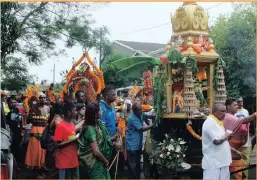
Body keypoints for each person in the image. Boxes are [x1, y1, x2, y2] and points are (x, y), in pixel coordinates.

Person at [78, 102, 114, 179]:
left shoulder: (98, 124)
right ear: (95, 114)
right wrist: (105, 161)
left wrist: (115, 137)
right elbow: (96, 152)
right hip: (95, 163)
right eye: (100, 110)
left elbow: (103, 140)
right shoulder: (90, 129)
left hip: (101, 161)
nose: (102, 111)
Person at [223, 98, 257, 180]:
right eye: (234, 105)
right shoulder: (229, 117)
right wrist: (255, 114)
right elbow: (245, 120)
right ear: (228, 107)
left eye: (237, 104)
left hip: (237, 151)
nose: (237, 106)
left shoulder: (233, 116)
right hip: (232, 155)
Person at [202, 103, 233, 180]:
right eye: (222, 111)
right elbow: (216, 142)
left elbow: (223, 141)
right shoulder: (210, 122)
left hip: (223, 161)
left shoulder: (218, 122)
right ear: (214, 111)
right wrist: (227, 135)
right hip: (213, 162)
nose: (224, 114)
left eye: (225, 111)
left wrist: (236, 151)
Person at [25, 92, 50, 178]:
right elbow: (28, 121)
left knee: (44, 152)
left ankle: (42, 169)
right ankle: (37, 171)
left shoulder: (48, 108)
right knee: (36, 152)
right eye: (41, 97)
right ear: (38, 99)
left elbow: (49, 121)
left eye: (44, 97)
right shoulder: (33, 108)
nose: (42, 99)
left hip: (44, 131)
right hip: (35, 131)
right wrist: (29, 114)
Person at [126, 102, 153, 179]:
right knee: (132, 165)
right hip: (132, 145)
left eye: (141, 109)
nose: (141, 111)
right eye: (139, 110)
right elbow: (141, 129)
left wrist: (149, 122)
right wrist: (152, 126)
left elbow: (146, 116)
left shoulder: (140, 114)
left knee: (137, 164)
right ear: (134, 111)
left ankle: (137, 177)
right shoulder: (132, 118)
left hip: (137, 144)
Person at [53, 102, 79, 179]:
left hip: (73, 159)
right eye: (75, 110)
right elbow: (56, 145)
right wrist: (73, 140)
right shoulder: (60, 126)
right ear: (69, 113)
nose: (76, 112)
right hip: (64, 162)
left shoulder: (72, 124)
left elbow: (69, 137)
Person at [99, 85, 120, 178]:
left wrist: (116, 127)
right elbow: (101, 129)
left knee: (113, 166)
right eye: (113, 95)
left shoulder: (111, 106)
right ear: (106, 96)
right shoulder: (101, 108)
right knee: (106, 166)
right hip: (106, 143)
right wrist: (112, 140)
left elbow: (111, 122)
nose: (115, 96)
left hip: (113, 139)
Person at [235, 97, 251, 179]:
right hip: (236, 140)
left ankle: (245, 176)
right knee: (237, 159)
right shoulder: (234, 112)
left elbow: (248, 124)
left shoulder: (246, 111)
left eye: (241, 101)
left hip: (245, 139)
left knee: (245, 159)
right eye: (238, 101)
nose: (240, 103)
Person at [6, 96, 25, 166]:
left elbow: (20, 122)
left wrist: (22, 132)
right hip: (11, 132)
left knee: (16, 148)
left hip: (16, 132)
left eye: (14, 102)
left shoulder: (16, 112)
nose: (13, 104)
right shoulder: (10, 112)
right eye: (11, 102)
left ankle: (17, 164)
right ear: (8, 103)